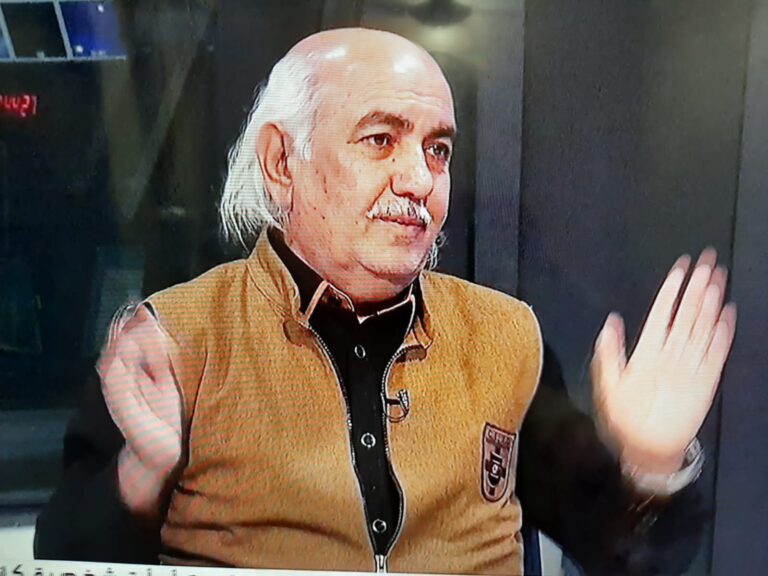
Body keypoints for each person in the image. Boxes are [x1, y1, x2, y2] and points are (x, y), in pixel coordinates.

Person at [34, 28, 736, 575]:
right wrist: (140, 478)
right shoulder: (176, 341)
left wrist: (650, 462)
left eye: (438, 150)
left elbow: (626, 556)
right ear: (281, 162)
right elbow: (63, 556)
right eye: (380, 140)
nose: (419, 180)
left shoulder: (505, 337)